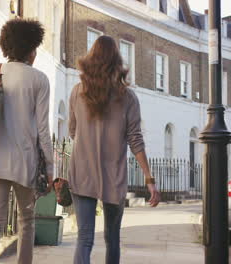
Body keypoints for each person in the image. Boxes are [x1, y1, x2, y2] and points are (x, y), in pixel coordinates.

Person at [68, 35, 161, 264]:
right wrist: (149, 179)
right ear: (117, 61)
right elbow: (135, 140)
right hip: (114, 177)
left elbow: (73, 131)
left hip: (82, 173)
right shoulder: (127, 97)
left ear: (91, 59)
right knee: (112, 239)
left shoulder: (77, 92)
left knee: (84, 239)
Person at [0, 18, 53, 264]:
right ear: (31, 48)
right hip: (24, 161)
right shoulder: (39, 79)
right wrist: (50, 167)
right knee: (26, 221)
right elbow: (42, 128)